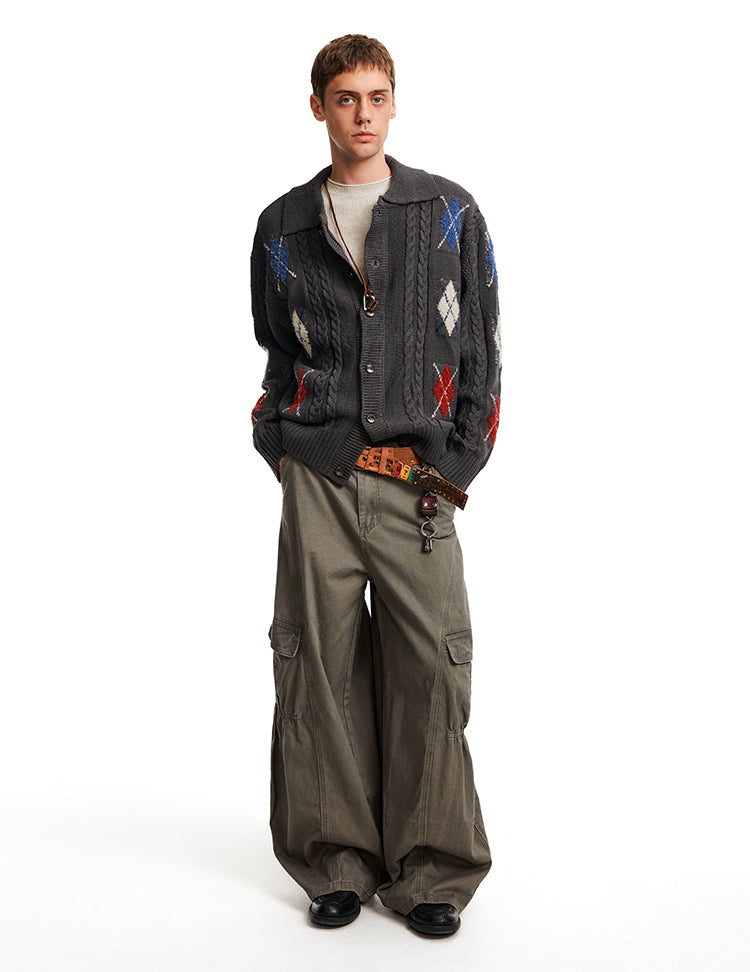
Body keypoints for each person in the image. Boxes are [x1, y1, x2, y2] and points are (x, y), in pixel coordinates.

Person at [250, 34, 501, 937]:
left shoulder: (447, 212)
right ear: (319, 106)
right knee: (315, 667)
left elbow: (481, 352)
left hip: (418, 482)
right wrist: (280, 444)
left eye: (377, 96)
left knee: (430, 668)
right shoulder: (282, 225)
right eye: (346, 97)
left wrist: (458, 463)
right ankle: (335, 862)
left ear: (394, 102)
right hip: (316, 480)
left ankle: (432, 870)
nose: (363, 114)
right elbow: (275, 350)